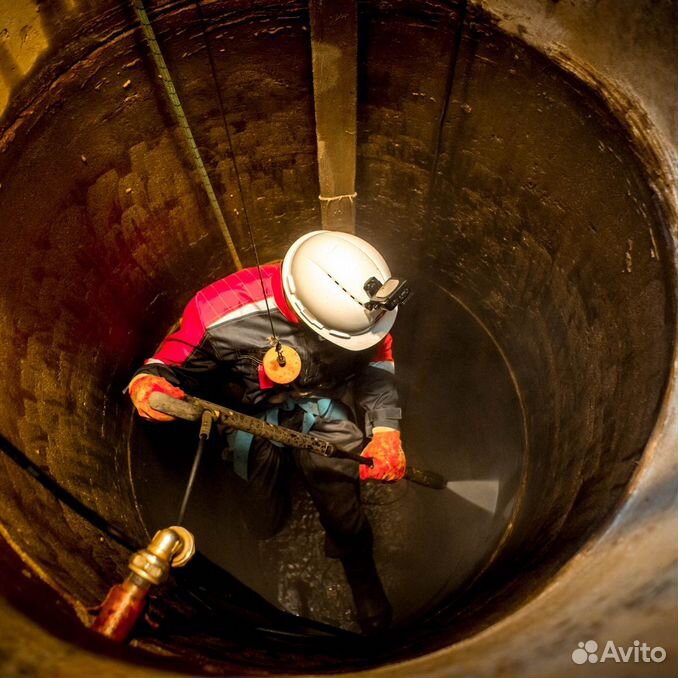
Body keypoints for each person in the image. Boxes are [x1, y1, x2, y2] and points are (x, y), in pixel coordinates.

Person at [128, 230, 408, 635]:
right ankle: (269, 528)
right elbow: (167, 364)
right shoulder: (219, 312)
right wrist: (147, 383)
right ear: (305, 316)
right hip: (252, 420)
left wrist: (385, 429)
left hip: (323, 413)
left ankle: (360, 572)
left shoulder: (365, 313)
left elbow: (377, 361)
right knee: (261, 517)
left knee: (344, 509)